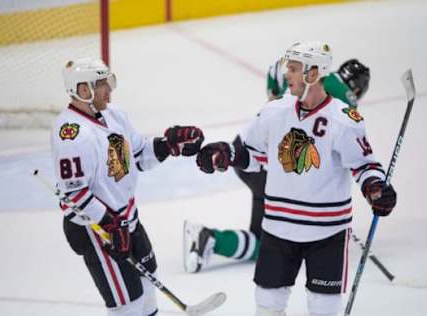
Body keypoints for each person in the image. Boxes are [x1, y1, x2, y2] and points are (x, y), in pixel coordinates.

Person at [194, 41, 396, 316]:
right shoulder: (274, 111)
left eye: (293, 68)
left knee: (323, 308)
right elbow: (252, 154)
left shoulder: (343, 120)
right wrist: (225, 153)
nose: (286, 73)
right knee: (267, 305)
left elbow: (364, 165)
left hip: (327, 233)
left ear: (313, 74)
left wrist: (375, 187)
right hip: (278, 229)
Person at [183, 57, 371, 273]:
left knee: (263, 242)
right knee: (282, 241)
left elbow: (275, 75)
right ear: (356, 89)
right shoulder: (345, 103)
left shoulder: (314, 77)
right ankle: (211, 238)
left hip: (245, 153)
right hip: (269, 165)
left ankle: (208, 238)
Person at [51, 58, 204, 316]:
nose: (109, 90)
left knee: (146, 287)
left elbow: (139, 155)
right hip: (99, 229)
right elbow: (73, 196)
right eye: (101, 84)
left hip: (128, 219)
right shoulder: (72, 135)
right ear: (83, 89)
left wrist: (169, 145)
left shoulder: (114, 115)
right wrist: (109, 224)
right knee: (128, 304)